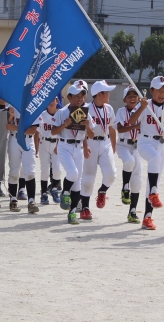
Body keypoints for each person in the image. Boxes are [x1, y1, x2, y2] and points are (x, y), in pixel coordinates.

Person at [129, 76, 164, 231]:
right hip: (145, 142)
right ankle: (154, 193)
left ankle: (147, 217)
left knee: (153, 180)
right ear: (151, 91)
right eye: (158, 90)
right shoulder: (145, 104)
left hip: (162, 144)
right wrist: (142, 107)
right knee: (154, 160)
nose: (162, 93)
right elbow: (131, 121)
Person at [51, 80, 95, 225]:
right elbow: (53, 131)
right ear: (69, 97)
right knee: (73, 173)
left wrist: (88, 126)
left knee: (78, 184)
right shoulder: (62, 112)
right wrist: (64, 125)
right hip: (65, 146)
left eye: (82, 95)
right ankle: (64, 192)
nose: (79, 98)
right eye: (76, 96)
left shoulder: (86, 112)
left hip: (78, 148)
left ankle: (72, 213)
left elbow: (92, 135)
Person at [79, 80, 117, 221]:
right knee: (89, 175)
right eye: (106, 92)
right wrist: (84, 145)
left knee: (111, 174)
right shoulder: (86, 108)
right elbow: (81, 130)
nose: (109, 94)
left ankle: (102, 191)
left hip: (105, 141)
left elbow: (112, 128)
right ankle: (85, 208)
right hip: (91, 143)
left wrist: (113, 146)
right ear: (99, 94)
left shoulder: (109, 108)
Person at [114, 86, 142, 224]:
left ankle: (132, 211)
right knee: (129, 161)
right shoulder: (121, 111)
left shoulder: (142, 110)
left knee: (137, 182)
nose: (132, 98)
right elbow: (120, 128)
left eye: (135, 96)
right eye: (129, 96)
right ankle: (125, 187)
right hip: (123, 144)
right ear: (124, 99)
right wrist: (135, 127)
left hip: (137, 146)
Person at [5, 107, 41, 213]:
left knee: (30, 171)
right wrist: (10, 116)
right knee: (14, 171)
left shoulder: (33, 107)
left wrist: (15, 127)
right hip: (14, 139)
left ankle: (31, 201)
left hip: (27, 140)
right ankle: (13, 200)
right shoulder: (11, 106)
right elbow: (6, 125)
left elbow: (33, 130)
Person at [35, 97, 62, 205]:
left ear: (57, 101)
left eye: (53, 99)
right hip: (44, 143)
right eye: (49, 100)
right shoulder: (41, 114)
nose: (51, 102)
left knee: (57, 169)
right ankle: (44, 193)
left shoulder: (60, 114)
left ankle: (54, 188)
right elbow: (37, 133)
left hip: (56, 143)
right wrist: (36, 148)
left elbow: (62, 132)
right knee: (45, 169)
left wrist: (59, 145)